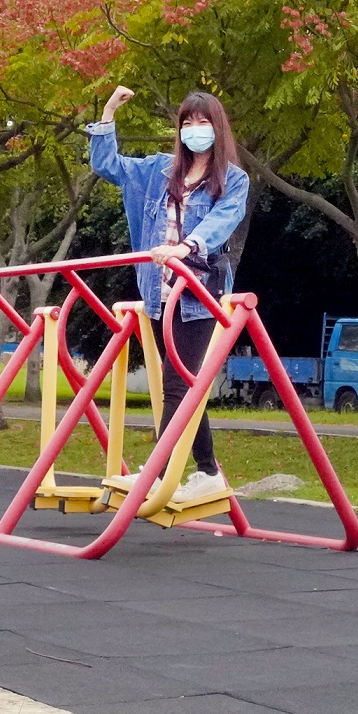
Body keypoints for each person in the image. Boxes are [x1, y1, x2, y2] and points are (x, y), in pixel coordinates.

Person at [88, 84, 250, 507]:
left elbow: (222, 221)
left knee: (178, 386)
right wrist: (107, 114)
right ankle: (209, 472)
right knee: (186, 387)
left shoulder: (233, 179)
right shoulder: (160, 170)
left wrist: (187, 247)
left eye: (203, 123)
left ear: (218, 128)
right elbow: (108, 167)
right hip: (159, 293)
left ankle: (158, 473)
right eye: (187, 123)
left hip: (198, 293)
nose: (195, 130)